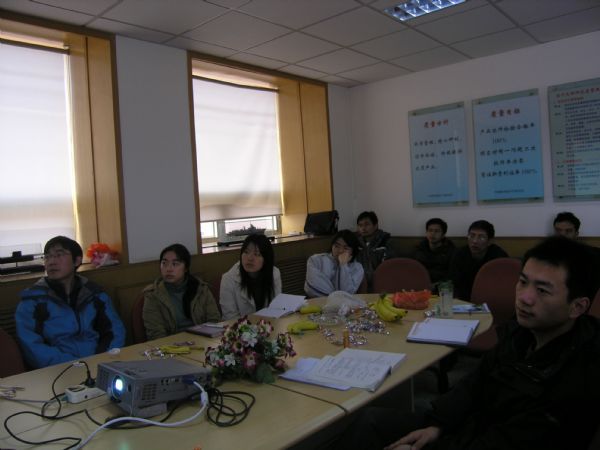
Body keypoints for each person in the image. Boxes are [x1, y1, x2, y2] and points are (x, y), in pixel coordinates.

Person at [335, 236, 600, 450]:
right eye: (522, 282)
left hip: (482, 438)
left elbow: (505, 441)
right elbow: (474, 384)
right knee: (370, 420)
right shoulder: (519, 333)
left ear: (577, 306)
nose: (524, 297)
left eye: (542, 290)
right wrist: (439, 424)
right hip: (469, 425)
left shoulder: (580, 377)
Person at [15, 236, 125, 369]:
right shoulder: (33, 301)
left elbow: (114, 332)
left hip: (98, 363)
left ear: (77, 260)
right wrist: (73, 366)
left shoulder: (95, 295)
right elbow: (31, 346)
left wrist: (101, 360)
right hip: (56, 370)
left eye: (59, 255)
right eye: (47, 257)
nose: (51, 262)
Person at [142, 243, 221, 340]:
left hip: (203, 341)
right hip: (170, 346)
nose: (169, 269)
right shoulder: (153, 295)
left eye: (175, 264)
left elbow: (214, 322)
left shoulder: (201, 289)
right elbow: (156, 335)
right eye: (164, 263)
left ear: (186, 268)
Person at [220, 234, 281, 320]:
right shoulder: (228, 279)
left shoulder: (274, 273)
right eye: (246, 252)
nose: (250, 258)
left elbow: (277, 308)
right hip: (240, 327)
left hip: (269, 324)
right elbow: (230, 318)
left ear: (266, 259)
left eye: (257, 254)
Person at [448, 220, 508, 301]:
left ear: (490, 241)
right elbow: (454, 283)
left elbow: (501, 286)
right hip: (464, 300)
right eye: (471, 236)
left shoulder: (499, 257)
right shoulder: (459, 254)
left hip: (491, 299)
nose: (475, 241)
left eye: (481, 237)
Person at [305, 229, 365, 298]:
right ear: (332, 246)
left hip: (345, 304)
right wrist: (337, 296)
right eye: (336, 246)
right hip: (317, 301)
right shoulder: (316, 260)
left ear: (353, 251)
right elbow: (313, 287)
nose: (340, 251)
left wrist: (343, 265)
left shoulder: (357, 268)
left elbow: (347, 293)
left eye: (346, 248)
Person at [355, 211, 395, 291]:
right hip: (358, 284)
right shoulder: (354, 242)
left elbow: (389, 268)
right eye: (360, 225)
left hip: (381, 285)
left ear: (375, 225)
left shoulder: (386, 241)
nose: (363, 228)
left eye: (367, 224)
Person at [412, 218, 455, 290]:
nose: (432, 233)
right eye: (430, 230)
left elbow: (452, 275)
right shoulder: (419, 249)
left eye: (437, 231)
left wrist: (436, 285)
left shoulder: (451, 251)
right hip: (421, 286)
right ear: (426, 233)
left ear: (443, 235)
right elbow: (413, 270)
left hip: (442, 288)